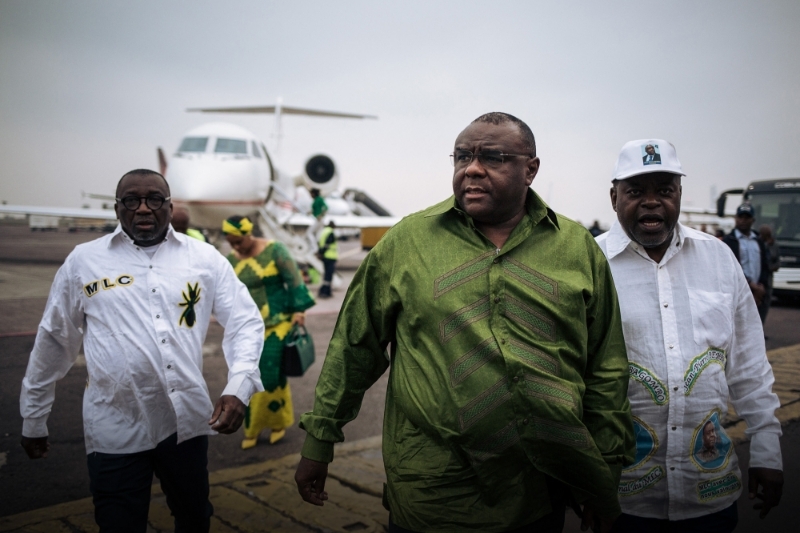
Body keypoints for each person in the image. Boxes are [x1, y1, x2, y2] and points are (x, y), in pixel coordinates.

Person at [295, 112, 634, 533]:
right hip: (432, 493)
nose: (472, 168)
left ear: (531, 169)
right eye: (462, 157)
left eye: (493, 157)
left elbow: (606, 367)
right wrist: (319, 440)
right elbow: (353, 347)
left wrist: (604, 473)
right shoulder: (407, 243)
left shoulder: (576, 248)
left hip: (540, 490)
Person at [20, 169, 265, 533]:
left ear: (169, 206)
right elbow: (56, 339)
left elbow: (245, 321)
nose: (143, 209)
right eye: (132, 201)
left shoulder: (204, 259)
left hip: (185, 424)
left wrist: (239, 387)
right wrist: (34, 415)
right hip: (114, 424)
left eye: (154, 199)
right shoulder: (83, 262)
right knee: (119, 524)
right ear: (118, 209)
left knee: (195, 517)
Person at [596, 140, 783, 532]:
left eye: (664, 190)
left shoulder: (718, 258)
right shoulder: (590, 266)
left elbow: (749, 364)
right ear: (614, 197)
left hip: (710, 491)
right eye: (636, 191)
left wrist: (767, 451)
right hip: (622, 499)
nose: (651, 202)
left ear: (679, 194)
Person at [222, 215, 315, 448]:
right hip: (247, 327)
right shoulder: (231, 260)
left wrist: (299, 311)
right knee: (244, 376)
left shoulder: (276, 250)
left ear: (248, 234)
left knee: (270, 375)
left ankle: (276, 423)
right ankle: (252, 427)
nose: (235, 247)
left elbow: (294, 280)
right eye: (230, 242)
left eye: (238, 242)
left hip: (278, 323)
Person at [722, 203, 770, 322]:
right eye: (740, 217)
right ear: (736, 219)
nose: (743, 220)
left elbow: (765, 265)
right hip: (738, 292)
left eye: (747, 217)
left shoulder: (758, 241)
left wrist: (761, 287)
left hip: (758, 293)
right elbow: (728, 267)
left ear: (752, 220)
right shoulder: (729, 240)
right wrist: (750, 285)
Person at [759, 224, 781, 323]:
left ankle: (762, 327)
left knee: (766, 304)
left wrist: (770, 268)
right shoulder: (757, 243)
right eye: (765, 235)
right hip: (758, 279)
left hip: (768, 278)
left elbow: (777, 261)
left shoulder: (774, 245)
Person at [317, 220, 337, 299]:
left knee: (326, 275)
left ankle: (327, 291)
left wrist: (320, 253)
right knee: (329, 275)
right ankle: (324, 291)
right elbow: (327, 244)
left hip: (325, 257)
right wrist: (321, 253)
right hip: (330, 257)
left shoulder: (324, 231)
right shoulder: (330, 232)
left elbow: (320, 243)